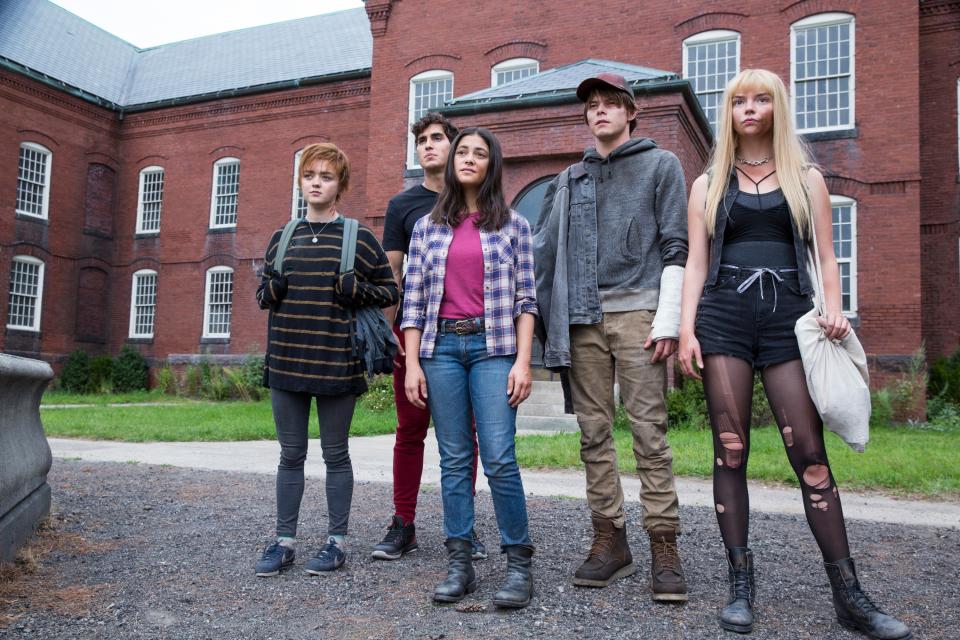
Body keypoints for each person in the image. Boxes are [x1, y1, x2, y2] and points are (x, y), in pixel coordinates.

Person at [677, 69, 911, 639]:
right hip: (724, 319)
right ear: (728, 112)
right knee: (729, 450)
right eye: (739, 101)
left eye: (761, 99)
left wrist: (836, 307)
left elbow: (828, 258)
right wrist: (686, 332)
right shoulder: (708, 184)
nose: (749, 109)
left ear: (778, 107)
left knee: (808, 454)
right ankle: (739, 584)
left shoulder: (806, 179)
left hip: (790, 320)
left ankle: (849, 595)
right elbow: (696, 265)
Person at [533, 72, 688, 601]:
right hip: (581, 318)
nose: (599, 111)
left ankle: (664, 547)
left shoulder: (661, 165)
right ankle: (610, 540)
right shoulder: (570, 178)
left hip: (640, 314)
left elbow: (677, 246)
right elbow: (544, 252)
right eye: (592, 106)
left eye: (609, 104)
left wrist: (668, 318)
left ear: (630, 112)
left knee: (650, 435)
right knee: (594, 435)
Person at [402, 127, 537, 608]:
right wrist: (413, 363)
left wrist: (523, 361)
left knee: (499, 455)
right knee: (455, 459)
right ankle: (460, 564)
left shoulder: (514, 225)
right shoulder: (426, 227)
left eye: (480, 153)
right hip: (441, 351)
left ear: (491, 165)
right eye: (463, 151)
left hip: (494, 347)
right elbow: (412, 301)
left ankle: (518, 563)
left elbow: (526, 300)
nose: (468, 159)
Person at [253, 142, 399, 576]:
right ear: (301, 182)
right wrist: (271, 290)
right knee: (290, 454)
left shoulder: (359, 238)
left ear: (340, 186)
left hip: (338, 363)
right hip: (286, 364)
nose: (317, 183)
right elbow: (263, 295)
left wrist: (360, 291)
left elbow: (391, 291)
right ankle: (284, 541)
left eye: (326, 177)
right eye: (310, 175)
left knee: (336, 454)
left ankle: (336, 542)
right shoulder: (284, 237)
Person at [373, 113, 486, 562]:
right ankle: (403, 523)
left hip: (469, 335)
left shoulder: (477, 202)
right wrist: (395, 340)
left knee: (465, 435)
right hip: (416, 334)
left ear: (456, 148)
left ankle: (465, 527)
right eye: (422, 140)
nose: (428, 146)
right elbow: (393, 278)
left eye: (438, 139)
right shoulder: (404, 205)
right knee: (410, 430)